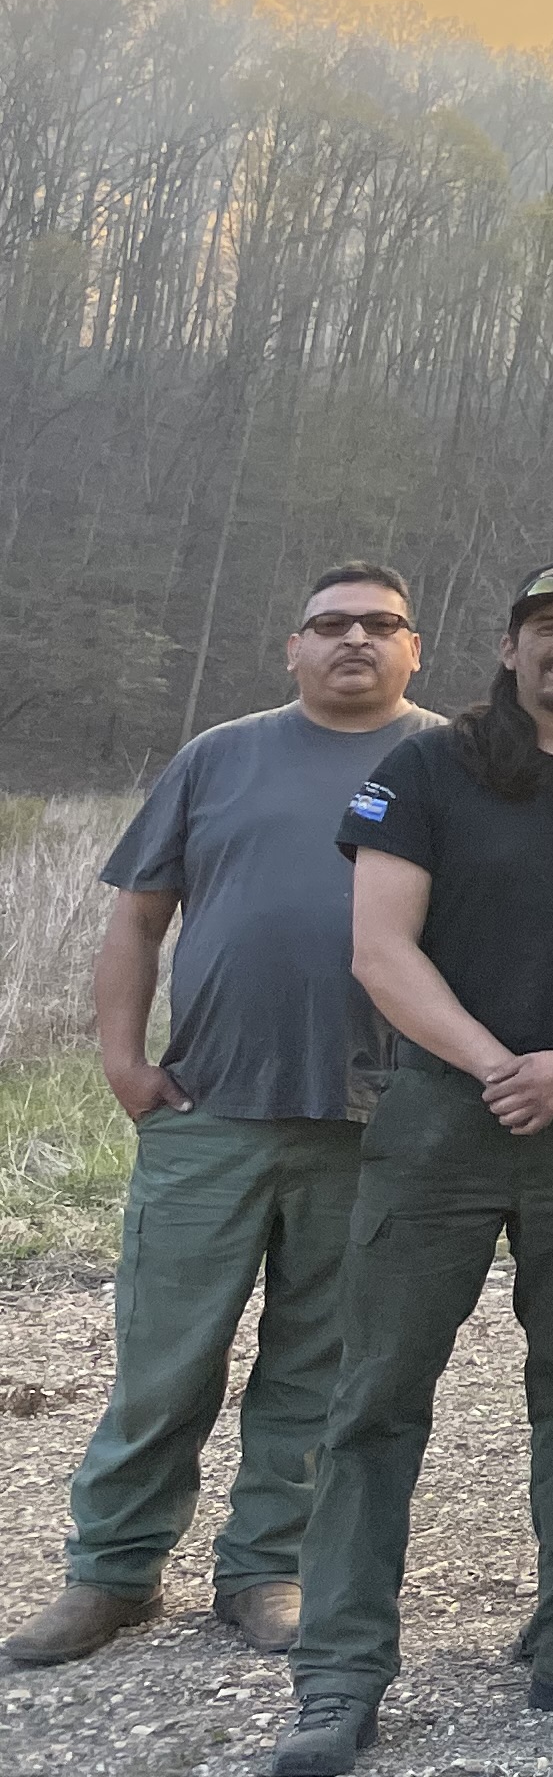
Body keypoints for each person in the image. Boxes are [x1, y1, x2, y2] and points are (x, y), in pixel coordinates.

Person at [275, 561, 553, 1777]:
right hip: (441, 1115)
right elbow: (381, 951)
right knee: (377, 1394)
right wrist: (498, 1066)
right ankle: (340, 1668)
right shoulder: (431, 768)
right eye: (548, 629)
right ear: (508, 645)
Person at [7, 565, 438, 1671]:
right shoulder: (220, 756)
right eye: (329, 625)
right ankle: (111, 1572)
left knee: (317, 1364)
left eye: (379, 625)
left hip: (372, 1118)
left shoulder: (451, 761)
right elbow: (138, 918)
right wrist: (122, 1061)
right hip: (209, 1111)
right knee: (166, 1358)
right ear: (291, 647)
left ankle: (265, 1571)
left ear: (414, 647)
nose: (354, 640)